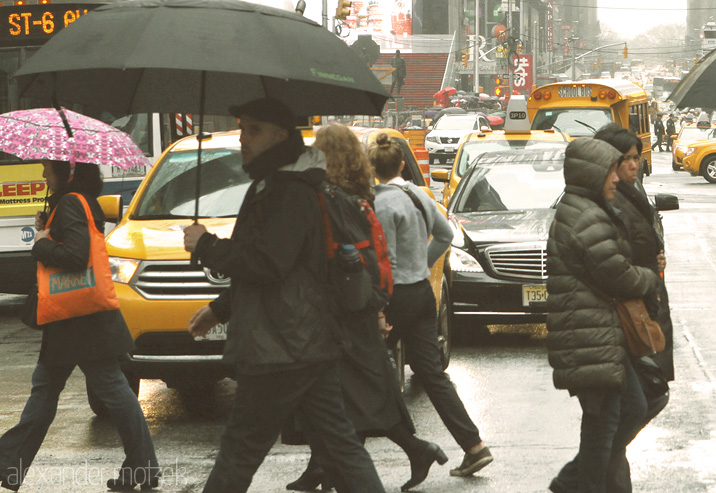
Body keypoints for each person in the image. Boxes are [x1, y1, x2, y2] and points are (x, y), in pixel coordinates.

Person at [183, 98, 383, 493]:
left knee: (240, 449)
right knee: (341, 449)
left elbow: (268, 263)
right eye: (242, 128)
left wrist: (206, 244)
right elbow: (287, 271)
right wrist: (220, 308)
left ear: (282, 135)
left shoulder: (288, 190)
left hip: (281, 345)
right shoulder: (276, 183)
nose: (243, 139)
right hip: (305, 340)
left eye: (254, 130)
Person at [281, 125, 447, 492]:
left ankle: (335, 469)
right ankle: (338, 466)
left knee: (345, 399)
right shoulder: (360, 197)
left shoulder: (333, 200)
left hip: (343, 314)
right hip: (361, 310)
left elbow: (352, 261)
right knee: (358, 397)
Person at [0, 161, 160, 492]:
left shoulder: (72, 201)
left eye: (48, 169)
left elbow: (76, 255)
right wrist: (49, 228)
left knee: (90, 389)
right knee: (62, 388)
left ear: (67, 172)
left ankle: (7, 463)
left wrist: (42, 243)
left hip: (78, 318)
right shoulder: (76, 200)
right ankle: (142, 466)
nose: (44, 175)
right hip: (79, 318)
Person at [366, 132, 493, 478]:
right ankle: (474, 445)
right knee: (432, 375)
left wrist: (380, 308)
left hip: (396, 296)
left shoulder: (381, 204)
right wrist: (421, 263)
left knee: (364, 371)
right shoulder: (419, 196)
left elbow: (384, 261)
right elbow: (447, 235)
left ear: (372, 168)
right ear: (403, 164)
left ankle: (334, 459)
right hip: (422, 291)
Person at [547, 139, 658, 493]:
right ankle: (580, 484)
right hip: (587, 336)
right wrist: (649, 277)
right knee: (601, 424)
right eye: (611, 170)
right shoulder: (585, 217)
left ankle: (573, 481)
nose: (617, 178)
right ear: (593, 174)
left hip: (599, 334)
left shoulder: (588, 209)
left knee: (632, 407)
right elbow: (618, 274)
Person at [591, 123, 673, 492]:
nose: (633, 165)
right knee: (637, 403)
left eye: (637, 158)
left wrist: (655, 259)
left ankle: (589, 475)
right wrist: (646, 270)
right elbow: (616, 262)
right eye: (626, 159)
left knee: (618, 415)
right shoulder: (608, 201)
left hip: (642, 306)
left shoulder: (632, 193)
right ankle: (578, 474)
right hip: (623, 315)